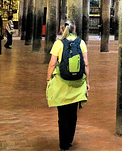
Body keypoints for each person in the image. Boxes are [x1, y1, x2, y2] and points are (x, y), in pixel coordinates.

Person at [46, 20, 89, 151]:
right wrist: (87, 82)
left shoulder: (58, 44)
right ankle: (69, 140)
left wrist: (48, 80)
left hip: (61, 83)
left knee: (62, 114)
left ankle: (63, 145)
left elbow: (52, 64)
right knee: (73, 113)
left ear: (61, 29)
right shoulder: (81, 43)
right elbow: (86, 64)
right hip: (78, 82)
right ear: (75, 29)